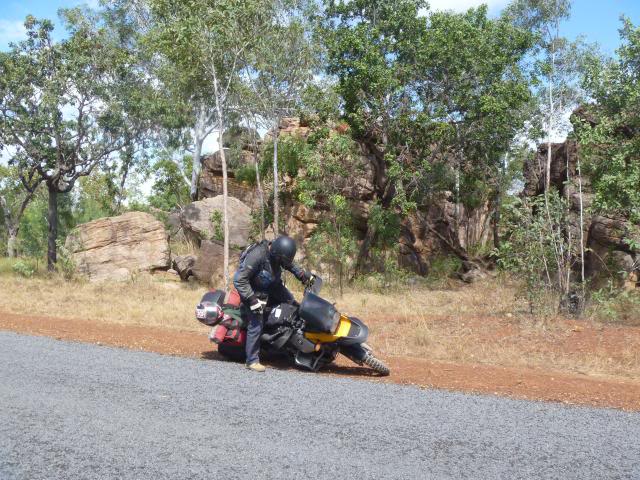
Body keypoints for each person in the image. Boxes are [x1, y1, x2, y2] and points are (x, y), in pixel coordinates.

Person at [233, 235, 309, 372]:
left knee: (293, 305)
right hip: (253, 291)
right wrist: (251, 300)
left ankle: (288, 344)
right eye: (282, 259)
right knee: (257, 322)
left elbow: (288, 263)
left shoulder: (278, 254)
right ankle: (252, 360)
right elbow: (239, 280)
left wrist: (302, 275)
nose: (283, 262)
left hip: (272, 285)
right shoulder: (257, 256)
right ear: (276, 253)